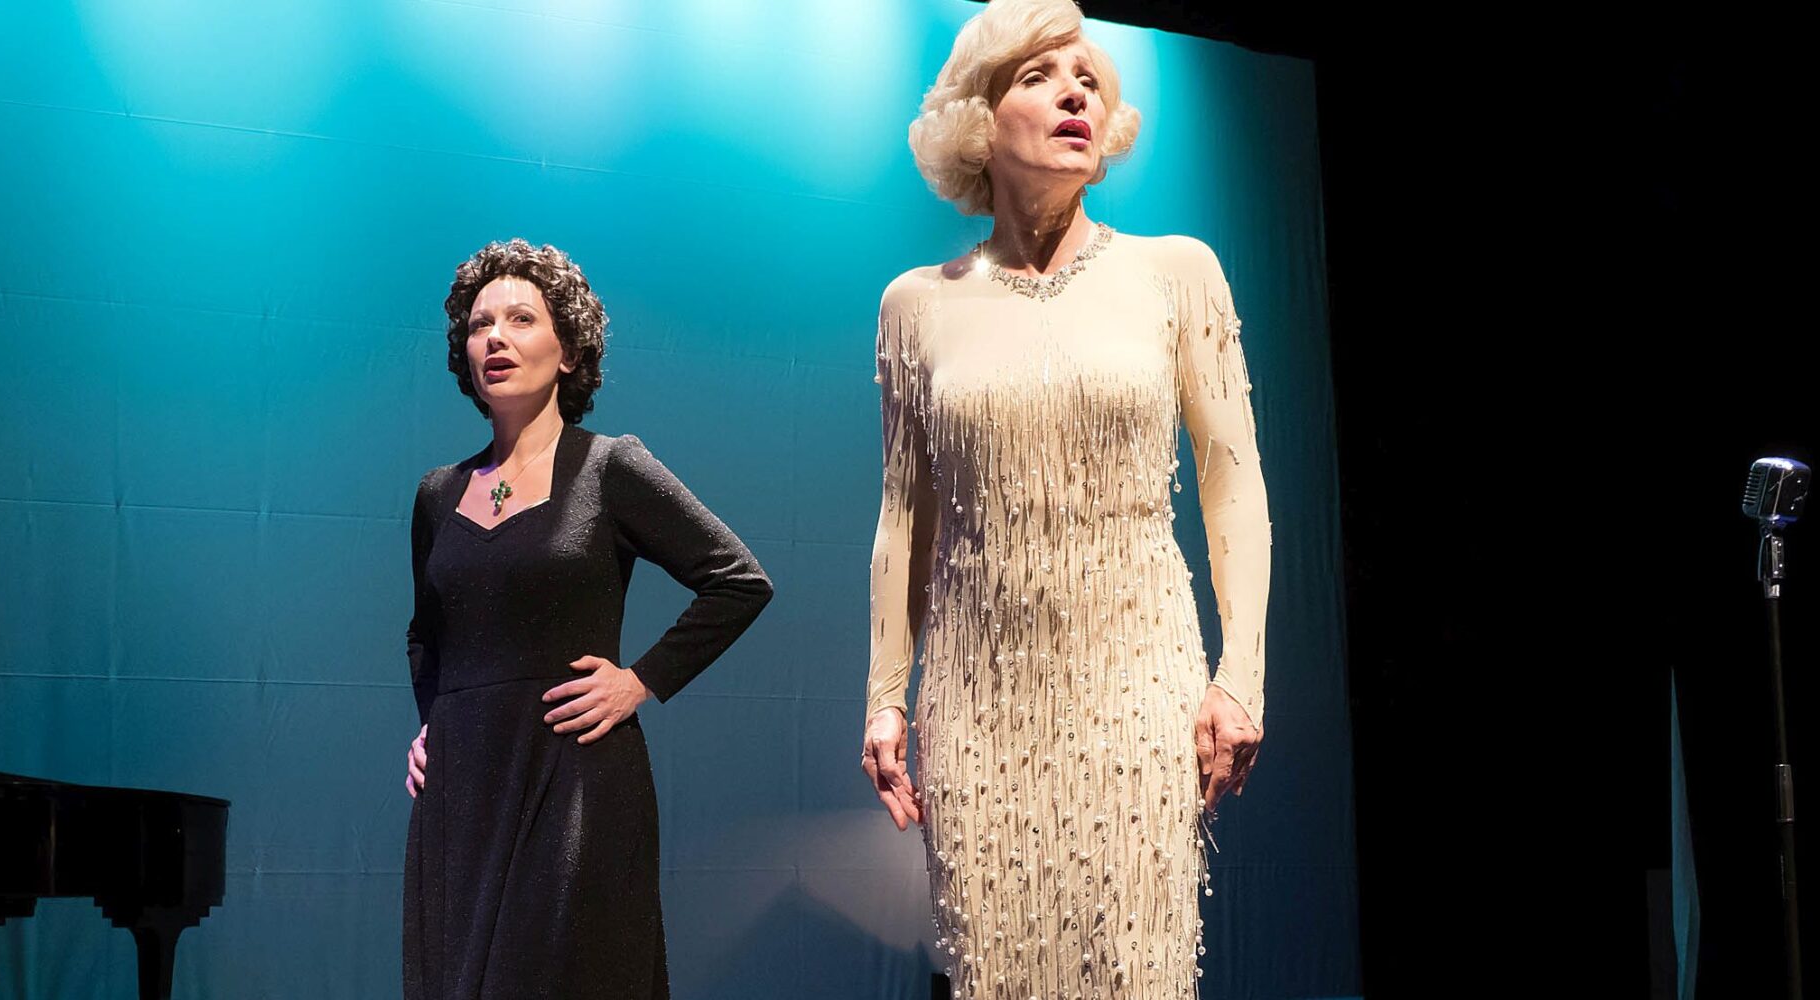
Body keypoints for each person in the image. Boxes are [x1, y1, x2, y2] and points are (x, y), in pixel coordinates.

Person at [858, 2, 1274, 996]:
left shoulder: (1177, 272)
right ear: (978, 115)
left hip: (1139, 687)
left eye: (1088, 77)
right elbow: (904, 517)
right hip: (977, 701)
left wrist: (1240, 678)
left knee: (1136, 967)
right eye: (1039, 76)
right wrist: (883, 696)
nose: (1074, 93)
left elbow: (1233, 484)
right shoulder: (916, 303)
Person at [400, 239, 775, 999]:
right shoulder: (439, 493)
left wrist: (640, 681)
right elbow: (426, 635)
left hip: (571, 778)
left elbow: (738, 581)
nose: (495, 338)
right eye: (479, 325)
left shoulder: (609, 467)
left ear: (569, 350)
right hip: (462, 792)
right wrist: (432, 723)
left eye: (520, 319)